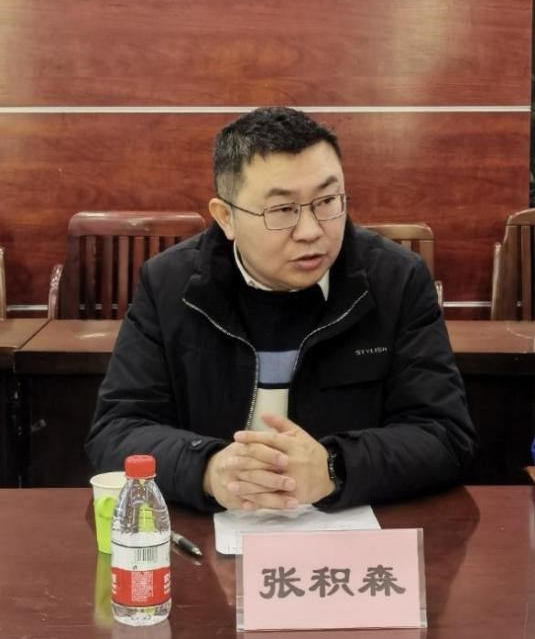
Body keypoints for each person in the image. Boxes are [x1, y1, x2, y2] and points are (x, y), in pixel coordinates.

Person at [86, 106, 476, 512]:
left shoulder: (396, 281)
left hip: (350, 530)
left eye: (327, 201)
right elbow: (116, 431)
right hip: (214, 533)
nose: (311, 231)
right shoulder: (169, 285)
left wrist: (334, 467)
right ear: (226, 217)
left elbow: (444, 435)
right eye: (282, 210)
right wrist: (208, 469)